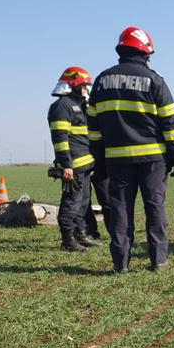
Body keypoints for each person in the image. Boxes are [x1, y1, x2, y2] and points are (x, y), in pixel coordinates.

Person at [87, 27, 174, 273]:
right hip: (152, 159)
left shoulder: (101, 80)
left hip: (116, 160)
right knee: (154, 208)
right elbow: (170, 120)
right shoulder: (154, 79)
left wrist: (98, 159)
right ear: (145, 51)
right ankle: (158, 260)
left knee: (119, 210)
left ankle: (120, 263)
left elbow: (93, 126)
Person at [47, 67, 101, 251]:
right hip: (73, 166)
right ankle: (68, 241)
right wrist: (66, 165)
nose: (87, 89)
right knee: (71, 201)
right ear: (73, 85)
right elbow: (60, 139)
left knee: (83, 202)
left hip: (85, 165)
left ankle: (81, 235)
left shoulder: (80, 106)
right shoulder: (62, 106)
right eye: (84, 85)